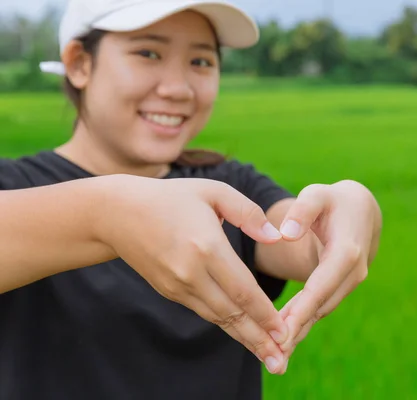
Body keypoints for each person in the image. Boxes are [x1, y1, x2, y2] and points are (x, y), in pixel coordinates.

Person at [0, 0, 383, 399]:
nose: (178, 89)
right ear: (80, 63)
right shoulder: (15, 187)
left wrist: (356, 207)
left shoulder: (230, 187)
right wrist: (107, 212)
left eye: (200, 62)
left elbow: (304, 242)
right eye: (148, 53)